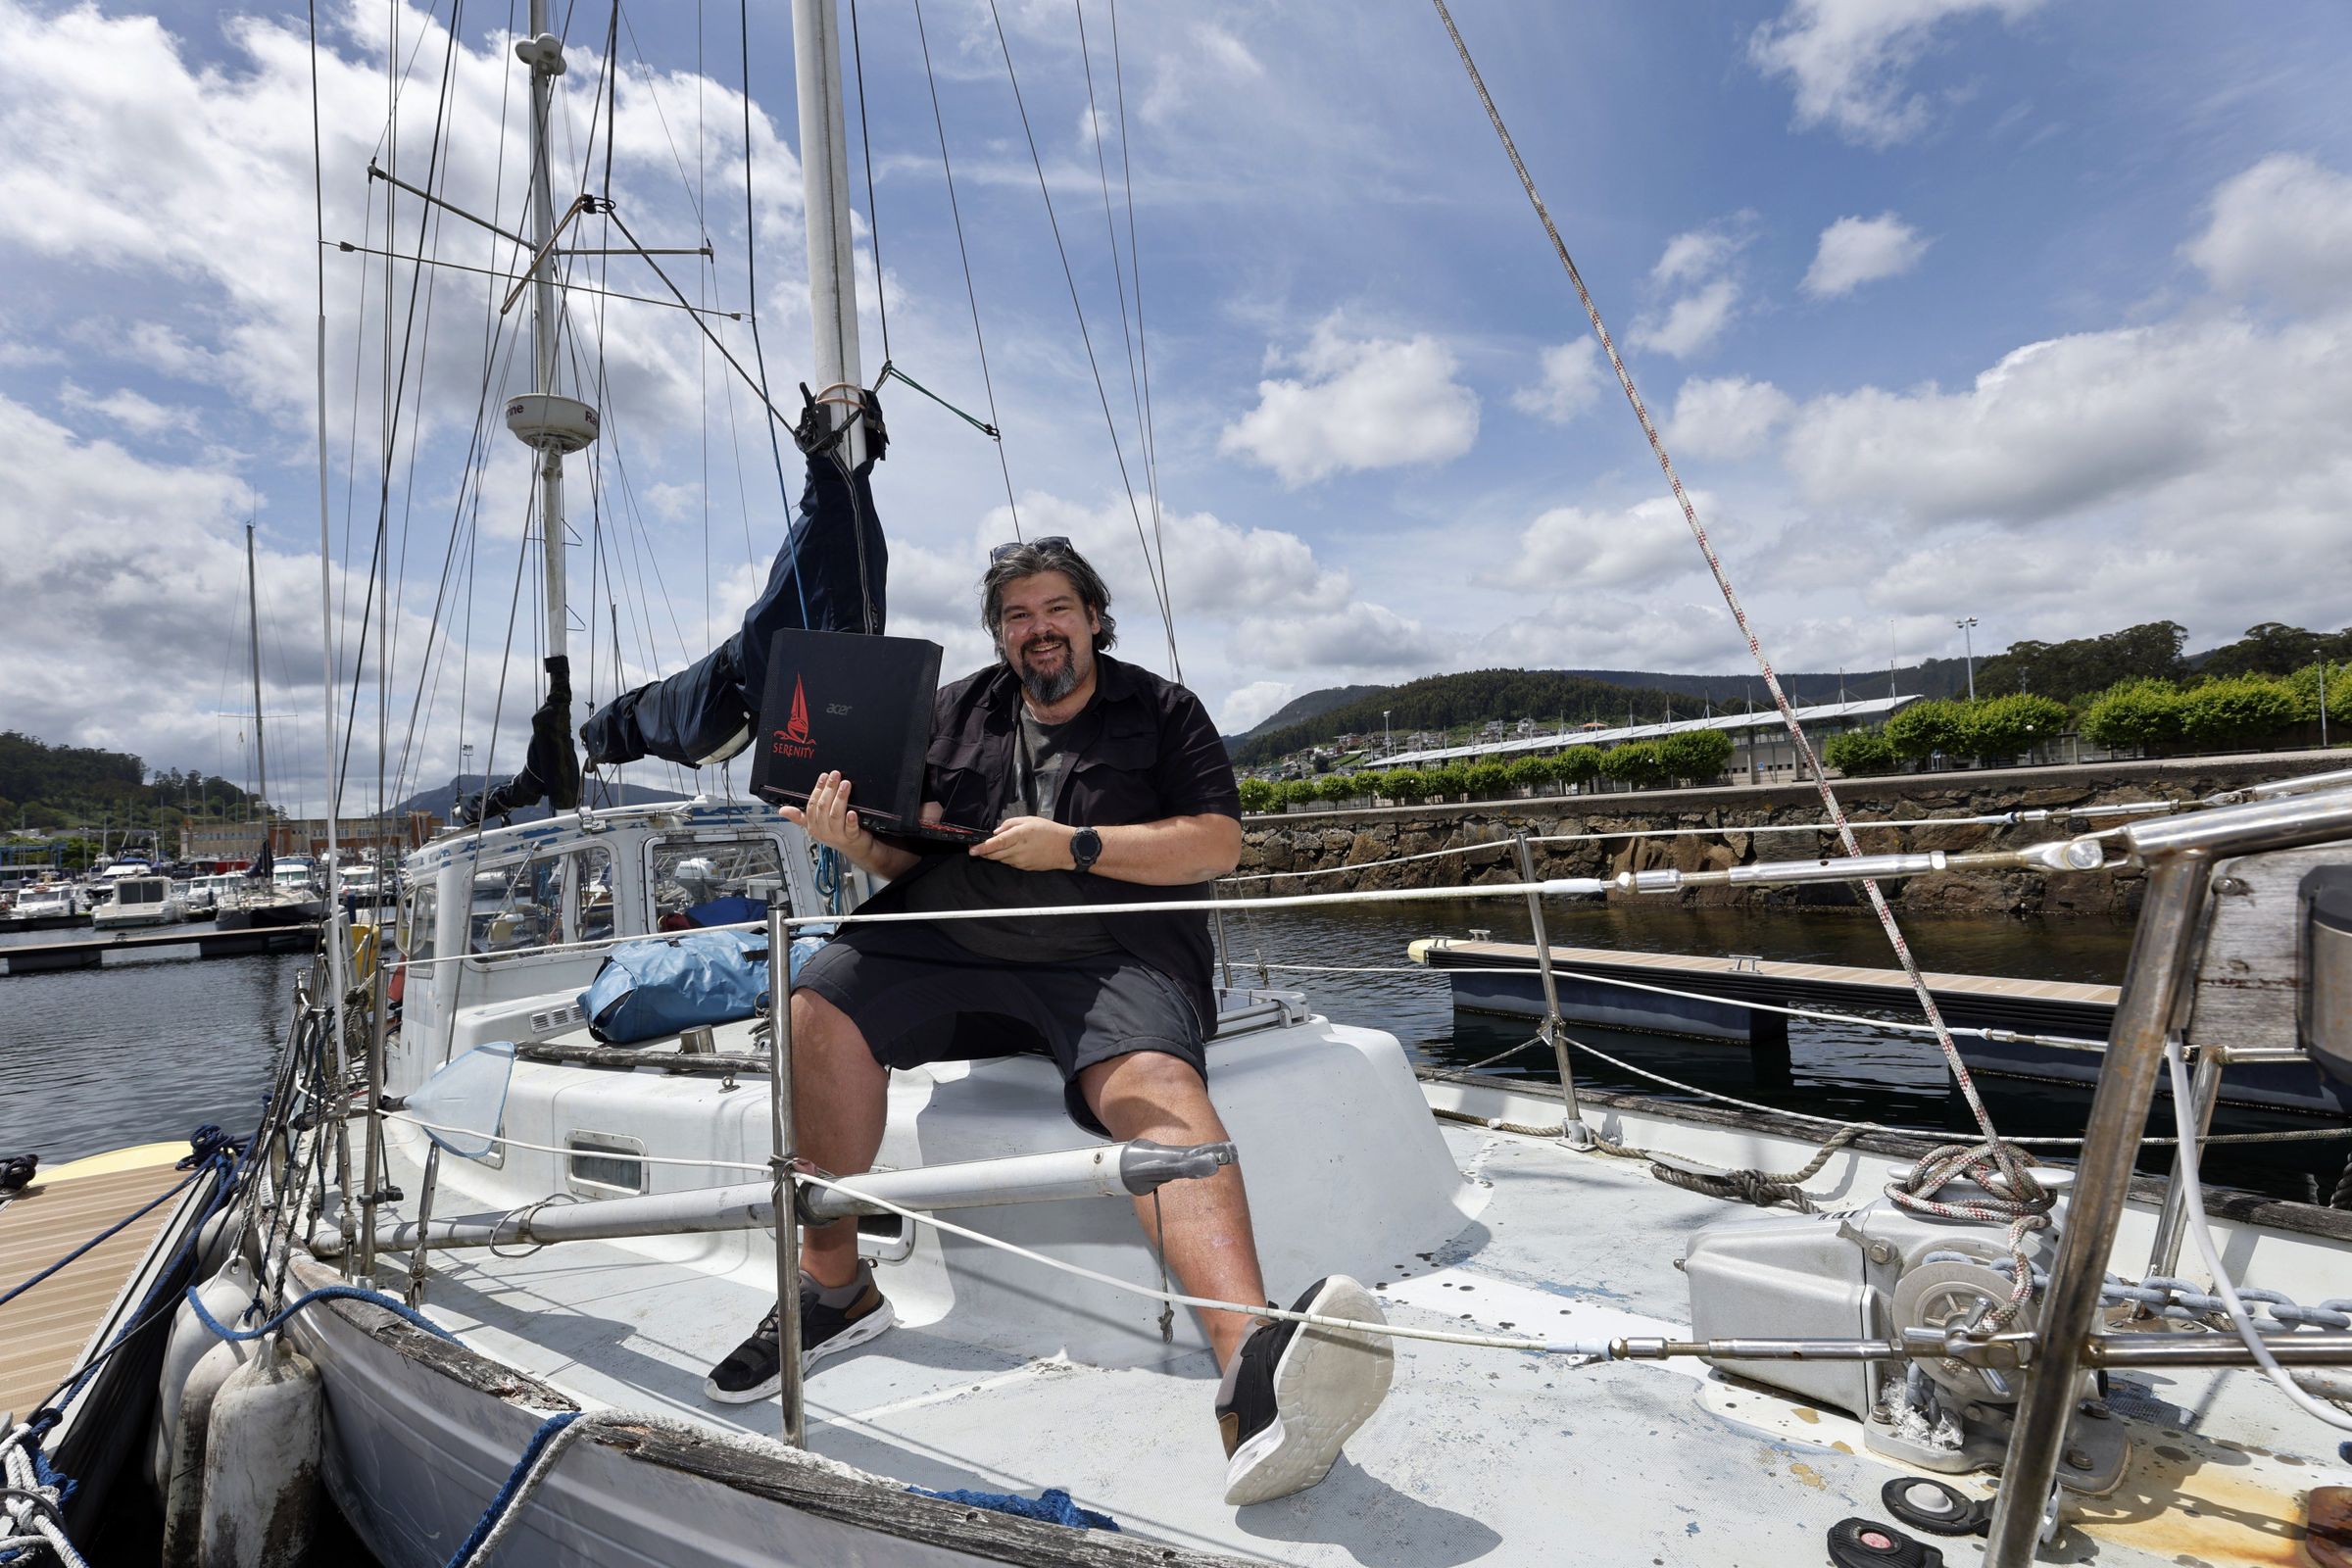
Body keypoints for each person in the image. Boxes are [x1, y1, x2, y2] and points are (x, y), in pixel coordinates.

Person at [702, 537, 1394, 1505]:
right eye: (1016, 615)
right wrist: (851, 838)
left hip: (1111, 954)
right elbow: (912, 863)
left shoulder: (1161, 710)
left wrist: (1075, 843)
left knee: (1154, 1087)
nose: (1037, 630)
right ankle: (834, 1289)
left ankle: (1255, 1373)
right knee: (817, 999)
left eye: (1054, 608)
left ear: (1094, 617)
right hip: (951, 940)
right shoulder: (951, 713)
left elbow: (1218, 842)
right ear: (999, 633)